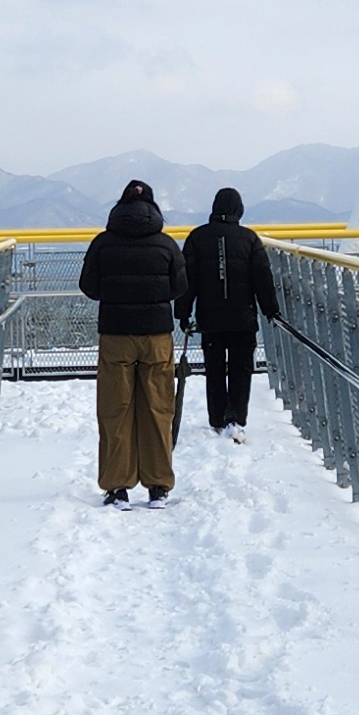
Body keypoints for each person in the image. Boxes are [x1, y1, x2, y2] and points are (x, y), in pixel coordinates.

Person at [78, 178, 184, 505]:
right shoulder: (166, 245)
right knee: (157, 408)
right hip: (156, 336)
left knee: (115, 410)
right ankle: (157, 486)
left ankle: (117, 486)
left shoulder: (102, 243)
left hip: (115, 334)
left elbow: (89, 286)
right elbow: (179, 287)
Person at [180, 185, 283, 440]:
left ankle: (217, 418)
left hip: (210, 318)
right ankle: (236, 418)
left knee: (214, 369)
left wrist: (183, 314)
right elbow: (263, 278)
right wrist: (271, 310)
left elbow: (187, 281)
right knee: (241, 368)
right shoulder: (249, 239)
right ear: (239, 209)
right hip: (243, 318)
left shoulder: (196, 238)